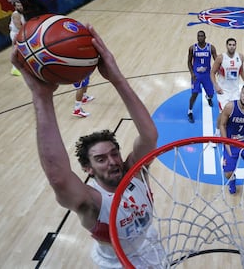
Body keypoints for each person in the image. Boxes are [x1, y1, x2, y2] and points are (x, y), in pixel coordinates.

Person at [11, 25, 165, 268]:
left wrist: (116, 78)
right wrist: (42, 96)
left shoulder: (135, 173)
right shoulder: (91, 202)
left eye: (114, 154)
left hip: (150, 246)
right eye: (101, 159)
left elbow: (149, 136)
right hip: (115, 263)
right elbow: (59, 177)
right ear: (88, 169)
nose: (113, 161)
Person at [210, 37, 244, 138]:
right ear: (227, 46)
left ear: (236, 46)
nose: (232, 46)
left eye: (233, 45)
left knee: (235, 113)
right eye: (230, 45)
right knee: (223, 113)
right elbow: (212, 72)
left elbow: (242, 71)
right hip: (223, 91)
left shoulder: (240, 57)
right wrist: (216, 85)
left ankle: (234, 133)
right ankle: (217, 133)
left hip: (235, 91)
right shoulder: (220, 58)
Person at [187, 30, 217, 123]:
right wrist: (192, 73)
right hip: (197, 75)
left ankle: (208, 98)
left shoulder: (211, 48)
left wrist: (216, 71)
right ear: (197, 37)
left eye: (202, 36)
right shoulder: (192, 48)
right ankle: (190, 111)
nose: (200, 37)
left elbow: (217, 61)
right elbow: (189, 62)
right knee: (194, 94)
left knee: (211, 94)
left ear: (205, 37)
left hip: (207, 74)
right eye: (198, 36)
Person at [9, 0, 25, 76]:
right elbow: (18, 26)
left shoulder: (24, 12)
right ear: (15, 7)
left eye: (20, 5)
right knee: (17, 52)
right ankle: (14, 69)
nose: (19, 7)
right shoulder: (16, 14)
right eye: (18, 6)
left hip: (21, 33)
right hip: (16, 34)